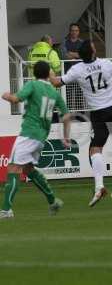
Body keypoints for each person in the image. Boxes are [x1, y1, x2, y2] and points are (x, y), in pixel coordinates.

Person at [50, 40, 112, 207]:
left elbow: (57, 82)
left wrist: (48, 70)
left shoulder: (77, 69)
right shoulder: (106, 64)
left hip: (99, 112)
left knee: (95, 149)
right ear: (93, 52)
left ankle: (100, 186)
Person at [0, 61, 71, 219]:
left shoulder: (32, 85)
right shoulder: (54, 92)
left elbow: (16, 99)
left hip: (28, 134)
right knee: (27, 169)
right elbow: (66, 116)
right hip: (41, 137)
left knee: (13, 168)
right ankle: (53, 201)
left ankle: (6, 211)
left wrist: (5, 96)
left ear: (35, 74)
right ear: (47, 74)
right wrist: (66, 137)